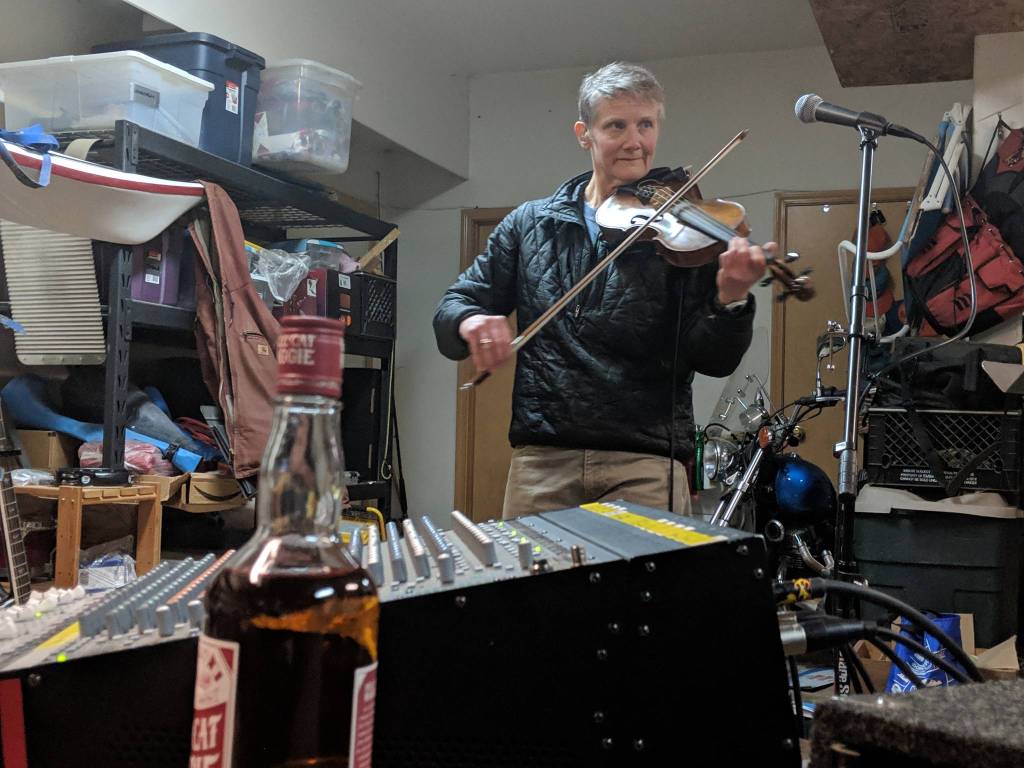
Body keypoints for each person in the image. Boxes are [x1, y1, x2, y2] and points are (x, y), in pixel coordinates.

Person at [434, 62, 771, 519]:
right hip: (543, 459)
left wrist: (730, 299)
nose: (635, 142)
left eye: (646, 125)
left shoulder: (685, 231)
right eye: (617, 125)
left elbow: (713, 360)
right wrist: (472, 321)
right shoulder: (530, 224)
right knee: (533, 590)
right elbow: (454, 307)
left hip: (646, 462)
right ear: (584, 133)